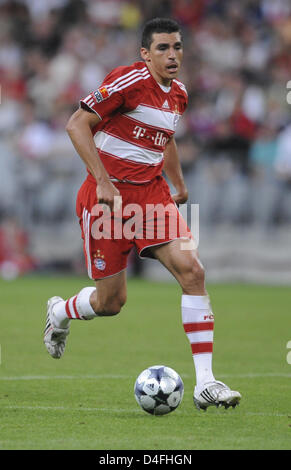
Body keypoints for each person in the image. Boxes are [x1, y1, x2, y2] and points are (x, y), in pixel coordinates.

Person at [44, 18, 241, 411]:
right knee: (110, 302)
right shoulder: (128, 82)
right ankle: (60, 311)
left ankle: (206, 382)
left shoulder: (179, 94)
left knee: (193, 271)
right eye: (164, 48)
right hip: (108, 200)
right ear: (145, 54)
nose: (173, 55)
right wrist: (102, 181)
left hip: (152, 197)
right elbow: (76, 124)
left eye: (178, 47)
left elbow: (164, 139)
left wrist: (178, 183)